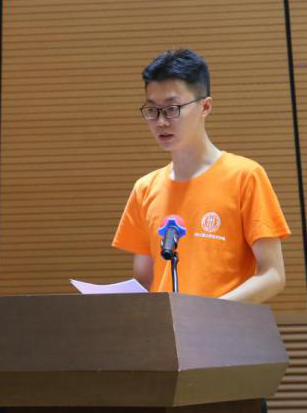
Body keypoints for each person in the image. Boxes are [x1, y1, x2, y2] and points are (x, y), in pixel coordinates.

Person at [111, 48, 290, 303]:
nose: (161, 121)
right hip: (169, 328)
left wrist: (207, 314)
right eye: (152, 110)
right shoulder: (145, 188)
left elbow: (273, 275)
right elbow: (144, 281)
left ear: (205, 107)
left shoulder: (245, 176)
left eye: (172, 108)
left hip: (224, 325)